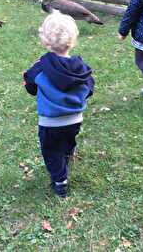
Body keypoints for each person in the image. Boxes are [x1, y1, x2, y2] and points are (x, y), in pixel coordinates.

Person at [23, 11, 94, 198]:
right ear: (73, 40)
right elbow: (89, 88)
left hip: (50, 123)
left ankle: (60, 181)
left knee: (51, 150)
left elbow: (30, 86)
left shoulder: (39, 68)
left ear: (46, 42)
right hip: (75, 119)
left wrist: (30, 84)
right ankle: (68, 152)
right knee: (69, 138)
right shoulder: (82, 69)